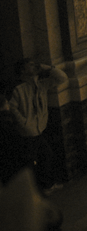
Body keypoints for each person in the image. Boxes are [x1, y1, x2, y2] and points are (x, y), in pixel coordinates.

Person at [7, 57, 67, 191]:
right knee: (32, 162)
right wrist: (25, 123)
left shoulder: (40, 84)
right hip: (27, 132)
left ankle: (46, 186)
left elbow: (62, 78)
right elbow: (12, 108)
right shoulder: (17, 88)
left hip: (39, 128)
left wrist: (48, 68)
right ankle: (38, 189)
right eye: (31, 65)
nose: (35, 66)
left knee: (46, 156)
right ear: (22, 70)